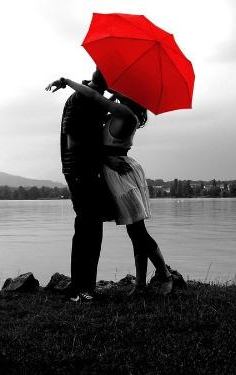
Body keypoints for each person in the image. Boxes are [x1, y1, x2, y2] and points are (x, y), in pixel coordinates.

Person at [46, 76, 175, 296]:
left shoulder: (125, 114)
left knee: (137, 231)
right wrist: (92, 82)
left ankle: (164, 274)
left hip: (122, 175)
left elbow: (97, 96)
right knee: (135, 231)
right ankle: (140, 284)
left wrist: (68, 81)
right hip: (112, 174)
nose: (118, 90)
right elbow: (100, 97)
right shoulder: (118, 111)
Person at [45, 70, 130, 302]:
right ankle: (79, 288)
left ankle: (86, 286)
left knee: (92, 228)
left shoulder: (92, 99)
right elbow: (74, 140)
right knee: (86, 228)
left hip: (89, 170)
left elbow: (95, 128)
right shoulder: (80, 99)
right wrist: (106, 157)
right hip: (79, 170)